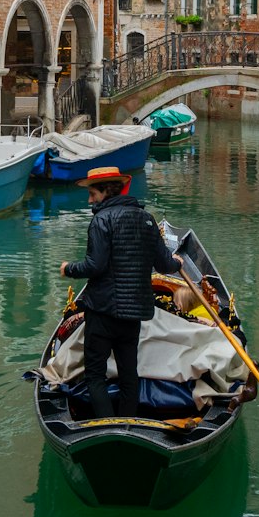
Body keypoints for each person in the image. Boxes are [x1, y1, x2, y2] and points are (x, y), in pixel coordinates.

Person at [60, 165, 181, 419]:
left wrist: (69, 268)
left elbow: (95, 265)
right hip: (132, 314)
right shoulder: (147, 219)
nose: (89, 199)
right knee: (129, 374)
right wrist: (178, 263)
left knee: (95, 374)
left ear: (105, 191)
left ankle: (106, 425)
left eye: (92, 193)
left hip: (102, 312)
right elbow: (164, 265)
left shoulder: (101, 220)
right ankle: (127, 423)